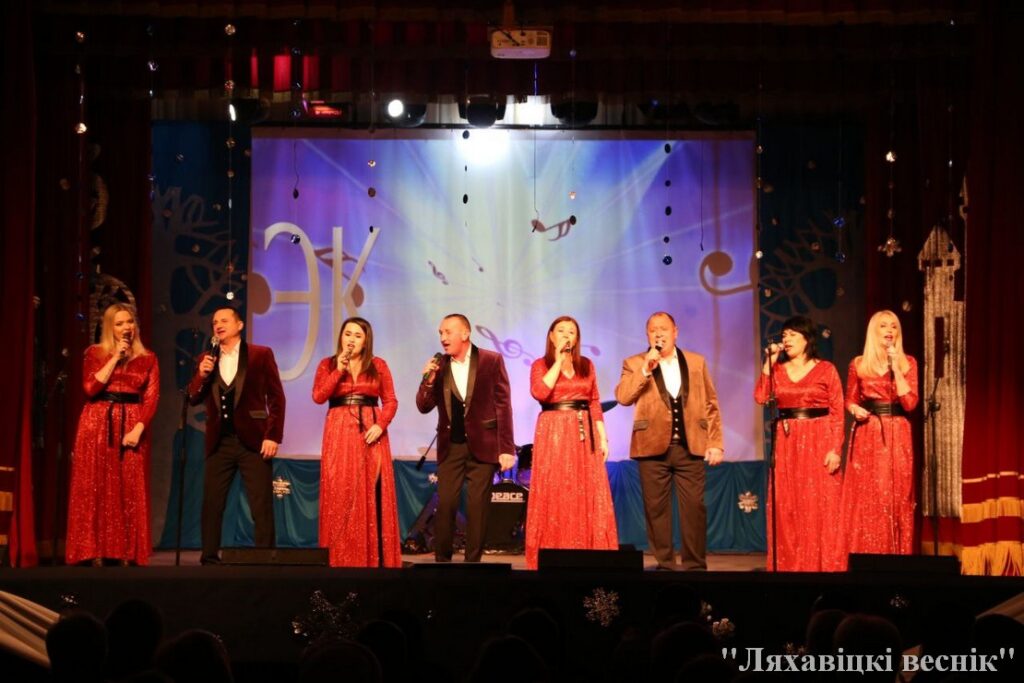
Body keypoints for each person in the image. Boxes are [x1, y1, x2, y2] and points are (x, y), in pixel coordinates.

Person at [615, 311, 724, 571]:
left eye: (664, 329)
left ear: (675, 332)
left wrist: (715, 442)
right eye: (653, 330)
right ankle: (665, 564)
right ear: (647, 335)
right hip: (650, 447)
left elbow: (710, 403)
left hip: (690, 446)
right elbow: (623, 397)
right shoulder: (634, 362)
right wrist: (646, 368)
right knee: (656, 510)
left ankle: (695, 566)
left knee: (694, 508)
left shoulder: (696, 362)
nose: (659, 334)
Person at [187, 306, 285, 565]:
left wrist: (273, 436)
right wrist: (201, 375)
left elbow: (276, 398)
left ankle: (266, 559)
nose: (218, 325)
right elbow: (193, 397)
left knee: (260, 505)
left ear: (239, 325)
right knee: (212, 503)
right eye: (214, 322)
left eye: (224, 320)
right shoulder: (206, 358)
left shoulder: (260, 354)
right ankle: (209, 558)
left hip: (254, 440)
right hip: (219, 442)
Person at [415, 313, 515, 562]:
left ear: (465, 333)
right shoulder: (440, 366)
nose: (443, 337)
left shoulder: (491, 360)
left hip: (484, 445)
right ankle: (442, 561)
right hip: (452, 446)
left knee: (477, 507)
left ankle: (473, 564)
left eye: (448, 332)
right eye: (440, 333)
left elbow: (503, 405)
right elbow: (423, 406)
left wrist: (506, 448)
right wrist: (427, 381)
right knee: (446, 503)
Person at [66, 303, 160, 567]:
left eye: (129, 322)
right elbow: (90, 388)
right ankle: (91, 549)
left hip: (131, 421)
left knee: (128, 487)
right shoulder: (94, 353)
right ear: (109, 328)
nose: (126, 327)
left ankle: (124, 552)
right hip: (97, 422)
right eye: (119, 323)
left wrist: (138, 428)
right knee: (94, 485)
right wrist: (115, 357)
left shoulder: (148, 357)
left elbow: (151, 398)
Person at [524, 316, 616, 569]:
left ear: (577, 338)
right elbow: (540, 392)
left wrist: (603, 437)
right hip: (553, 431)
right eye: (561, 331)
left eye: (572, 332)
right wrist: (557, 361)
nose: (566, 335)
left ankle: (588, 551)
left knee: (585, 488)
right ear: (552, 336)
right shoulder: (540, 364)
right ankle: (553, 550)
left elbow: (594, 401)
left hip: (583, 431)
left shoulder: (586, 365)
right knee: (556, 487)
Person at [755, 315, 844, 572]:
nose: (786, 339)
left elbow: (838, 412)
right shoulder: (778, 370)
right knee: (788, 504)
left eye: (792, 334)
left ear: (807, 339)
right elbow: (761, 397)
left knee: (818, 503)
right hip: (787, 442)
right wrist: (769, 363)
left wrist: (835, 449)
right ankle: (790, 566)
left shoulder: (826, 369)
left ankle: (821, 565)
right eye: (784, 335)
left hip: (819, 439)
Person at [312, 317, 401, 568]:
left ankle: (372, 558)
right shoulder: (327, 364)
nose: (351, 339)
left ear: (366, 341)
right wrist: (338, 370)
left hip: (370, 432)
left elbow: (391, 401)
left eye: (358, 336)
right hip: (339, 433)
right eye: (347, 334)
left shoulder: (378, 365)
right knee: (340, 492)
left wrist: (380, 425)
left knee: (370, 492)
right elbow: (318, 396)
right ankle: (339, 557)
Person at [838, 310, 918, 566]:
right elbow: (850, 399)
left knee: (894, 494)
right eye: (884, 326)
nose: (889, 331)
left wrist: (896, 368)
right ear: (874, 331)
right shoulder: (859, 364)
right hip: (869, 432)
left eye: (894, 326)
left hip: (898, 432)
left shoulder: (908, 363)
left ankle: (896, 559)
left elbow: (910, 403)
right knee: (869, 495)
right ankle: (866, 557)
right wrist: (854, 409)